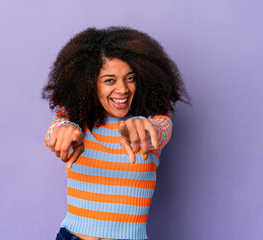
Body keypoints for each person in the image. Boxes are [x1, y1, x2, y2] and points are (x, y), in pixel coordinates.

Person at [42, 26, 189, 240]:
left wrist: (140, 125)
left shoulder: (155, 122)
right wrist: (63, 129)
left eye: (130, 78)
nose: (123, 89)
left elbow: (159, 130)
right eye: (110, 80)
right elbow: (53, 132)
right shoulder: (74, 117)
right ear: (89, 84)